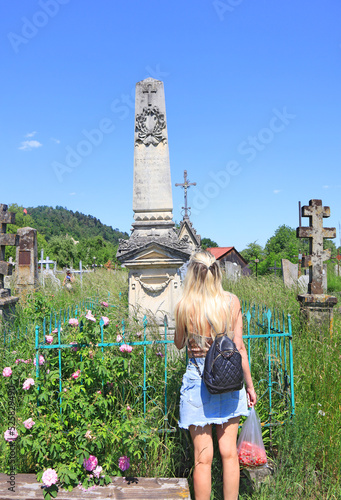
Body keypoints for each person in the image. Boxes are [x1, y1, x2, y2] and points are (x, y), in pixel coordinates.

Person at [174, 251, 257, 500]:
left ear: (193, 274)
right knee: (228, 452)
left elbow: (179, 344)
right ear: (217, 272)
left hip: (197, 382)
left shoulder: (184, 305)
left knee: (203, 458)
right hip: (230, 382)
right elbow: (240, 348)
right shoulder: (232, 302)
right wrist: (250, 386)